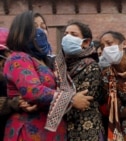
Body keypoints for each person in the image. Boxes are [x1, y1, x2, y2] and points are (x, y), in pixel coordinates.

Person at [3, 11, 91, 141]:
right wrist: (71, 99)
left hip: (53, 131)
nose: (41, 31)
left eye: (44, 27)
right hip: (30, 130)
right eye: (35, 27)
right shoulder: (18, 58)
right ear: (21, 31)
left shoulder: (47, 61)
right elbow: (33, 91)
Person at [61, 20, 105, 141]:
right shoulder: (61, 66)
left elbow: (82, 99)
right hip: (65, 131)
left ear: (86, 42)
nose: (67, 37)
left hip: (87, 130)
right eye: (65, 34)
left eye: (73, 35)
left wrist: (51, 95)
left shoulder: (91, 66)